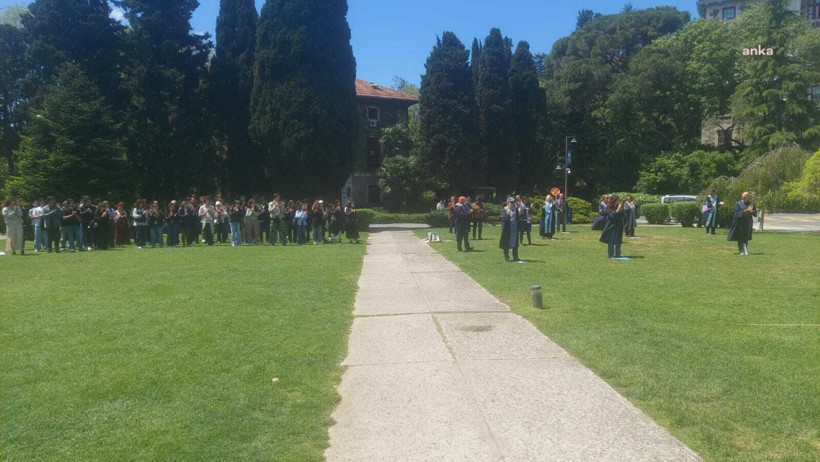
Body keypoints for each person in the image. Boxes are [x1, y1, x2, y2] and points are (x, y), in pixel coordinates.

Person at [500, 197, 520, 262]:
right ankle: (506, 256)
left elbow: (517, 218)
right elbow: (504, 220)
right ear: (508, 203)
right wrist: (508, 213)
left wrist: (519, 213)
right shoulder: (504, 210)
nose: (513, 204)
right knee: (506, 243)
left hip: (514, 228)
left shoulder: (515, 209)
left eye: (513, 202)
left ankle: (515, 257)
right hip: (507, 229)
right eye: (511, 202)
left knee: (515, 243)